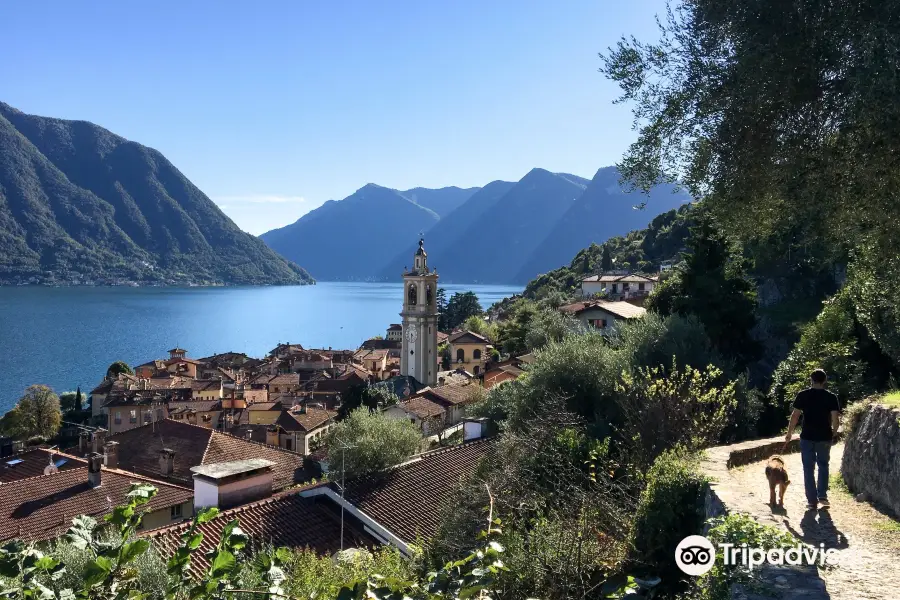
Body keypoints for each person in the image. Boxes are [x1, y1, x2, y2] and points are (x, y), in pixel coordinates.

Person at [785, 369, 841, 510]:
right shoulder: (831, 397)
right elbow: (835, 417)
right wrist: (833, 431)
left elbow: (795, 415)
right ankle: (822, 496)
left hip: (807, 436)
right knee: (823, 465)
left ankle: (812, 501)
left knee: (808, 468)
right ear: (825, 380)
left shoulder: (803, 395)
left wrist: (789, 433)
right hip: (824, 436)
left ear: (811, 379)